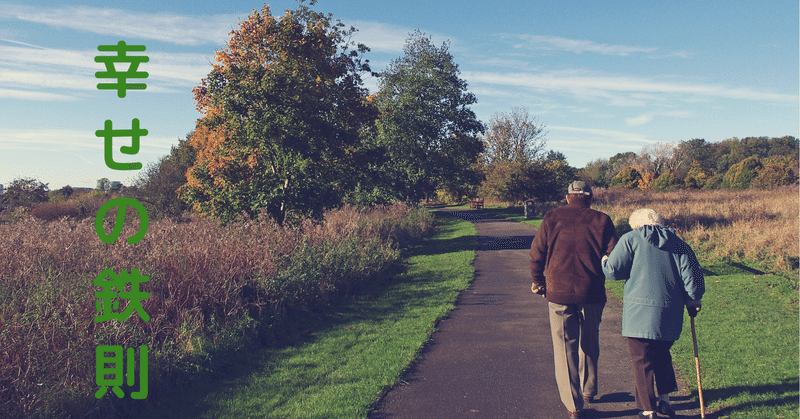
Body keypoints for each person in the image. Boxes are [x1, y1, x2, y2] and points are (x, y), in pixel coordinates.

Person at [602, 209, 705, 419]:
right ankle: (665, 400)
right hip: (670, 312)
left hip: (639, 313)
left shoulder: (630, 239)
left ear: (635, 225)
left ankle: (647, 409)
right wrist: (694, 299)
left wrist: (605, 260)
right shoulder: (678, 242)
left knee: (642, 359)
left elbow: (613, 271)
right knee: (662, 354)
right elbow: (692, 278)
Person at [530, 181, 618, 419]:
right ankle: (589, 389)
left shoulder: (552, 217)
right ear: (590, 198)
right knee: (590, 340)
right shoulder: (603, 220)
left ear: (567, 197)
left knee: (564, 347)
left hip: (559, 291)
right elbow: (614, 254)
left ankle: (573, 404)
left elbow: (536, 252)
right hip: (592, 291)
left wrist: (538, 281)